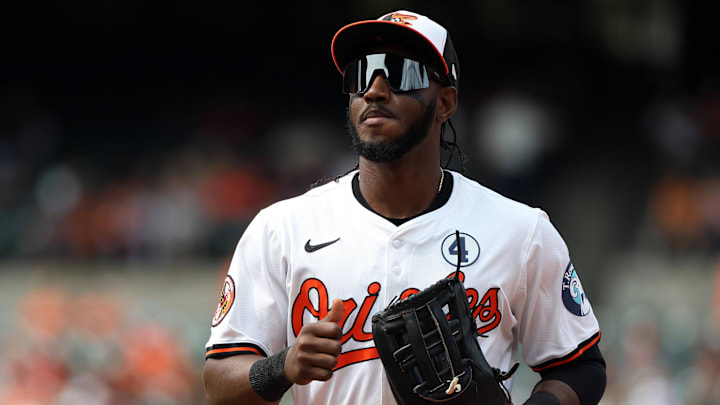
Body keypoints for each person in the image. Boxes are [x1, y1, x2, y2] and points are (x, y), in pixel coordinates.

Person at [203, 10, 606, 405]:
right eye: (361, 73)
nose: (375, 90)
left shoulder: (520, 231)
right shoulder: (281, 229)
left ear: (445, 102)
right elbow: (218, 385)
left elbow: (579, 367)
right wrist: (281, 367)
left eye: (400, 72)